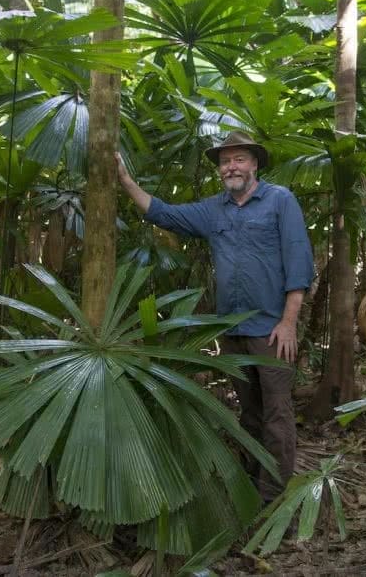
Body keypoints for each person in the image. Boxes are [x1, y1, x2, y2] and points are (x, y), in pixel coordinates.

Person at [116, 131, 314, 501]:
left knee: (276, 415)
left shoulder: (279, 201)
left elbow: (299, 262)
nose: (231, 167)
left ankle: (274, 498)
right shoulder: (214, 210)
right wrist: (126, 181)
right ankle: (251, 487)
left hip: (272, 330)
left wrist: (288, 323)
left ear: (255, 164)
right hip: (232, 328)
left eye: (239, 159)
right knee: (250, 415)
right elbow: (165, 213)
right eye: (225, 162)